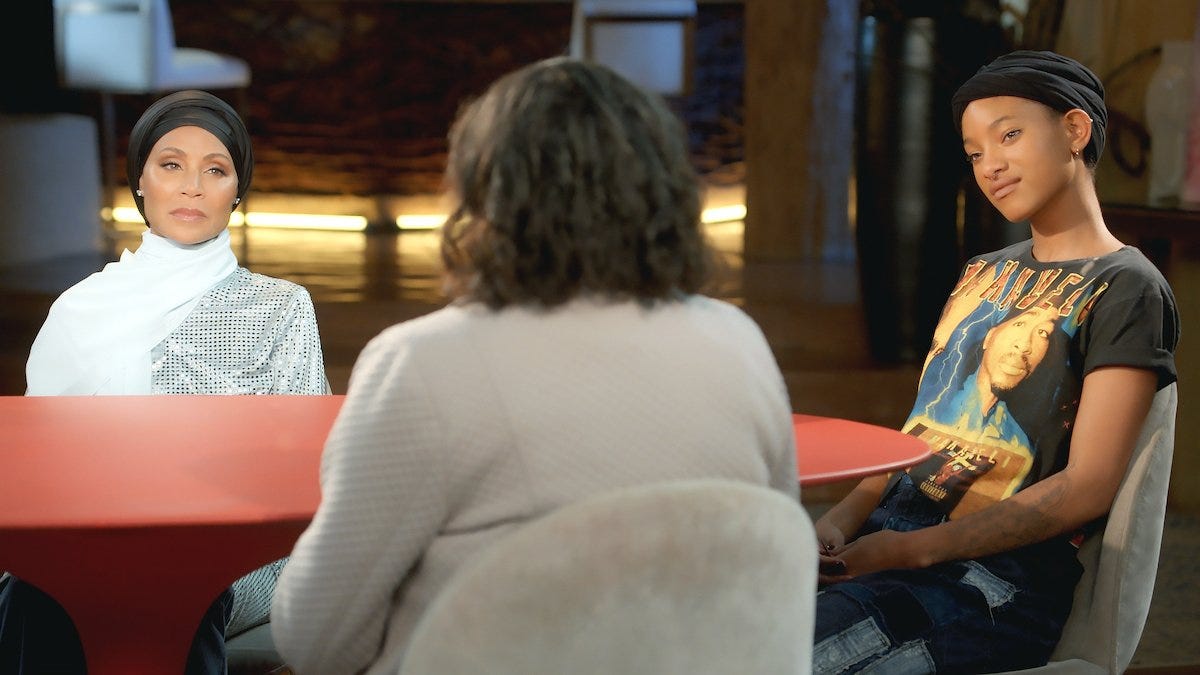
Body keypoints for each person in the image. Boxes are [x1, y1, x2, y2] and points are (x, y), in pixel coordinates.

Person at [269, 56, 798, 675]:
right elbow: (773, 558)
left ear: (483, 192)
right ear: (666, 188)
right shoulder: (738, 340)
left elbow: (315, 641)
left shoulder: (423, 364)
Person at [812, 50, 1179, 673]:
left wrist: (912, 552)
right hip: (889, 548)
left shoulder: (1127, 286)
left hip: (990, 589)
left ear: (1074, 130)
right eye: (975, 152)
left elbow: (1088, 486)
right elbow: (924, 427)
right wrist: (841, 520)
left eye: (1009, 135)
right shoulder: (984, 271)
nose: (991, 166)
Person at [0, 89, 330, 674]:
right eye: (171, 165)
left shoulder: (279, 308)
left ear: (238, 191)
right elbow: (36, 470)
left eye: (216, 170)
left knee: (166, 584)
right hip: (90, 534)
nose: (192, 186)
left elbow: (310, 470)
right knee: (41, 589)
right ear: (140, 184)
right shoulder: (82, 308)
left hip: (233, 552)